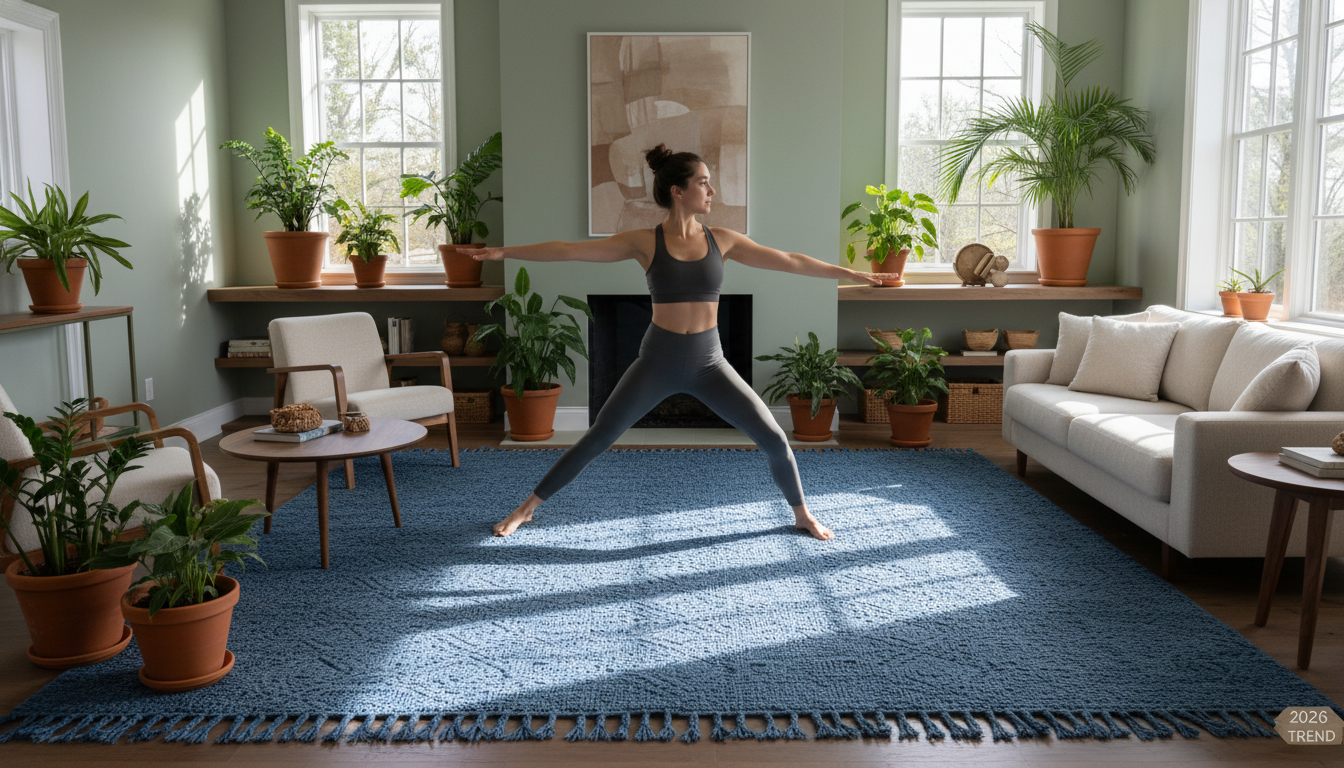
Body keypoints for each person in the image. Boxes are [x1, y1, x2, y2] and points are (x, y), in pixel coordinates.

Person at [464, 144, 898, 540]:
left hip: (711, 363)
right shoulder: (644, 242)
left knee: (774, 439)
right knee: (598, 438)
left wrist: (852, 273)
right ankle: (527, 508)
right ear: (678, 190)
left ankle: (802, 513)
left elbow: (788, 261)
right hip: (657, 362)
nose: (711, 190)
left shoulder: (721, 239)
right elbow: (568, 249)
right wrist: (504, 253)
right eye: (703, 182)